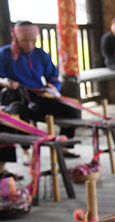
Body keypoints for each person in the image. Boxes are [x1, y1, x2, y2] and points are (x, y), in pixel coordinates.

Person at [0, 21, 80, 158]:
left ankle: (64, 146)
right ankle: (27, 149)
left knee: (71, 110)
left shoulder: (40, 55)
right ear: (16, 37)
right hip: (16, 96)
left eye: (33, 40)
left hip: (37, 96)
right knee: (18, 113)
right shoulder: (4, 54)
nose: (30, 44)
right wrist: (6, 82)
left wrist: (53, 88)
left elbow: (53, 77)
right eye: (25, 40)